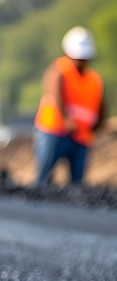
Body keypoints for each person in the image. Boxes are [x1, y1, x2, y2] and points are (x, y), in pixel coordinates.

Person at [33, 26, 105, 187]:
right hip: (54, 131)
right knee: (43, 177)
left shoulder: (94, 79)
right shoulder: (60, 70)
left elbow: (100, 106)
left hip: (81, 135)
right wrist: (66, 119)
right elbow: (54, 91)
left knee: (77, 183)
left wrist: (98, 125)